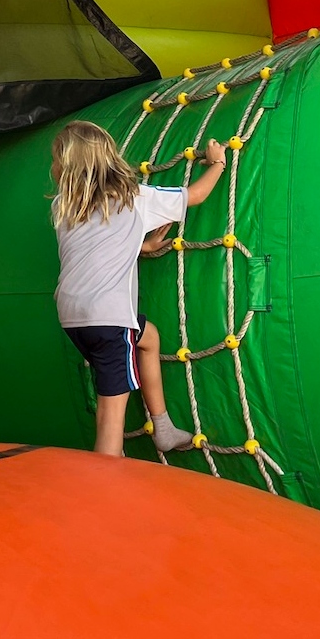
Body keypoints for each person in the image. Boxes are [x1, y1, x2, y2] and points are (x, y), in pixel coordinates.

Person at [51, 120, 227, 457]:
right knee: (110, 419)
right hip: (108, 319)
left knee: (148, 337)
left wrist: (140, 246)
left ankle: (162, 427)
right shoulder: (134, 197)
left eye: (56, 160)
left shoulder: (64, 206)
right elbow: (197, 195)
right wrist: (217, 161)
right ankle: (106, 496)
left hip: (73, 317)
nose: (53, 167)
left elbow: (89, 248)